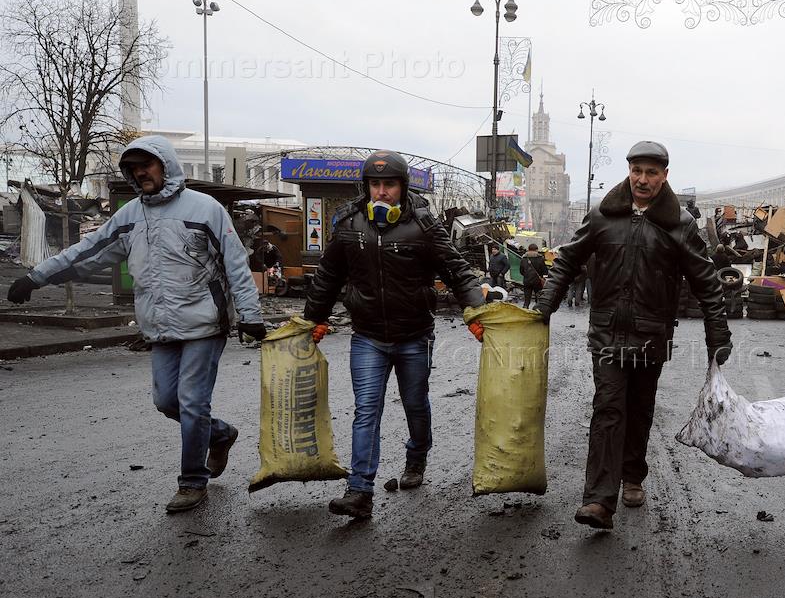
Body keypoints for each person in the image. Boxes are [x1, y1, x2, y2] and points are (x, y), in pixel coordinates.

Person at [6, 135, 265, 513]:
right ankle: (221, 434)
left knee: (192, 402)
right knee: (166, 401)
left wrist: (251, 315)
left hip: (205, 323)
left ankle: (192, 481)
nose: (141, 172)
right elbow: (88, 252)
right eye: (134, 168)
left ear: (166, 165)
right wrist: (36, 277)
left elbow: (235, 262)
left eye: (147, 165)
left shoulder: (205, 208)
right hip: (159, 326)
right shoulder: (129, 216)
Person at [536, 141, 732, 530]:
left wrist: (718, 336)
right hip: (607, 334)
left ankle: (633, 475)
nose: (642, 180)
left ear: (664, 176)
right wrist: (544, 307)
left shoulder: (680, 224)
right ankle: (598, 500)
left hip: (651, 336)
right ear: (629, 172)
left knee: (639, 410)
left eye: (651, 173)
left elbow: (707, 282)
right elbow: (568, 260)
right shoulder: (603, 216)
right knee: (608, 409)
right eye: (636, 171)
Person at [303, 150, 484, 519]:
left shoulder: (424, 225)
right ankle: (360, 490)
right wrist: (313, 320)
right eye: (375, 184)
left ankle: (417, 455)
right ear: (366, 187)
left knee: (415, 402)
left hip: (414, 335)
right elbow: (328, 275)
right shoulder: (350, 224)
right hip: (367, 336)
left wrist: (476, 313)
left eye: (389, 184)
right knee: (367, 409)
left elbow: (456, 270)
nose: (382, 192)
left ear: (402, 186)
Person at [519, 243, 547, 309]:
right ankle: (537, 309)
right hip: (537, 281)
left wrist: (526, 275)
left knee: (527, 297)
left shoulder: (524, 258)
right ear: (536, 250)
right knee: (538, 296)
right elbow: (544, 270)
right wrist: (543, 277)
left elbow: (521, 271)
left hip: (527, 281)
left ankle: (525, 308)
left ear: (528, 249)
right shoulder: (540, 258)